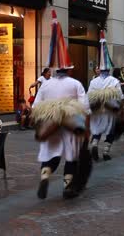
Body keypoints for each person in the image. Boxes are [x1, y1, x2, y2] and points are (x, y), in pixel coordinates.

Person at [32, 65, 90, 200]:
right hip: (70, 126)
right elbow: (85, 107)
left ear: (55, 70)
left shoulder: (46, 85)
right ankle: (67, 187)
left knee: (51, 154)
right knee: (71, 156)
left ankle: (45, 175)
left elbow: (35, 106)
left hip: (50, 123)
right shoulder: (75, 84)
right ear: (69, 70)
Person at [88, 31, 124, 161]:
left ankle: (94, 143)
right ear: (108, 69)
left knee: (97, 129)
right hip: (109, 111)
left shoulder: (93, 81)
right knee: (110, 130)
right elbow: (119, 96)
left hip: (97, 110)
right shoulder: (114, 81)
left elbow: (89, 96)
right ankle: (106, 151)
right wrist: (120, 107)